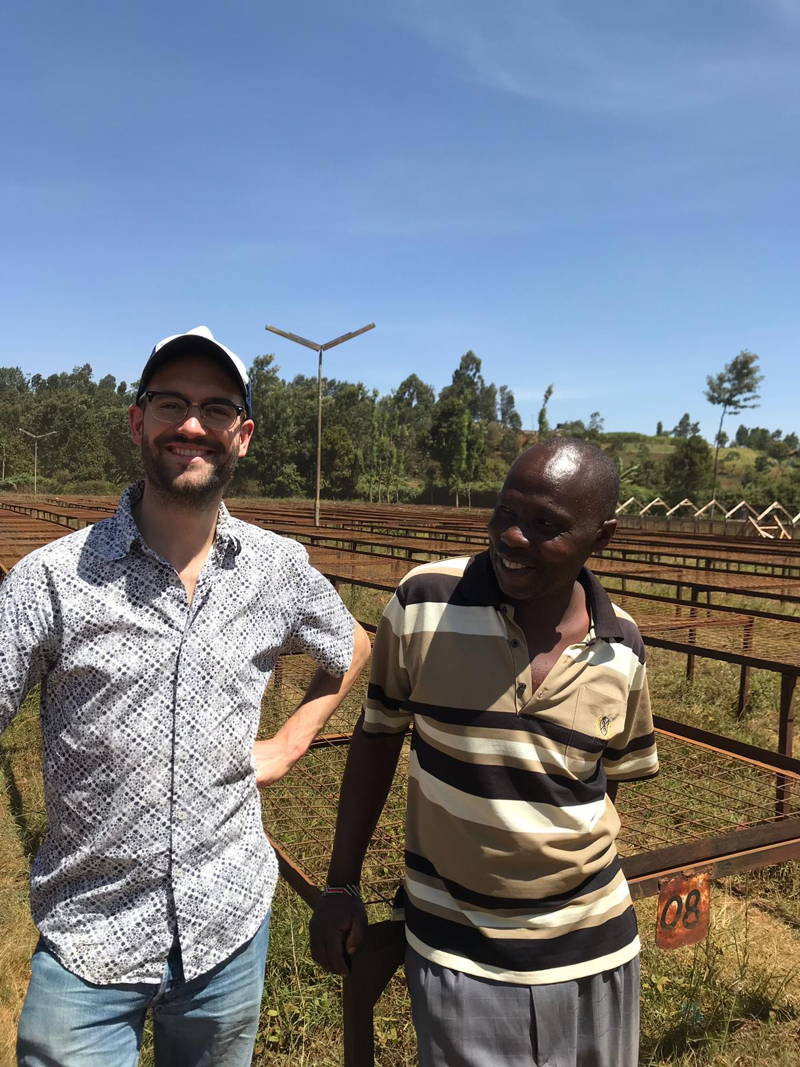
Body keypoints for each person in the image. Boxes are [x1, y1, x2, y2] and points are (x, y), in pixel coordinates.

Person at [1, 325, 371, 1067]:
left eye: (217, 408)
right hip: (89, 939)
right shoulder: (51, 578)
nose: (193, 424)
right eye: (171, 403)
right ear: (139, 421)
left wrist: (294, 738)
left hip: (226, 931)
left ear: (244, 436)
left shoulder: (276, 568)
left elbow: (353, 643)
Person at [310, 438, 658, 1067]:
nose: (514, 538)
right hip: (457, 945)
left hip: (595, 947)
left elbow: (608, 783)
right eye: (506, 512)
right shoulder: (424, 602)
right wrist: (341, 885)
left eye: (547, 525)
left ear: (601, 538)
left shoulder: (622, 647)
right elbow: (378, 734)